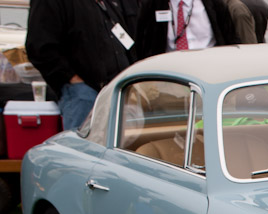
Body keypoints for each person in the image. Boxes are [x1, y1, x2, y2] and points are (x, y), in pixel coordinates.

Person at [26, 0, 138, 130]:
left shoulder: (105, 4)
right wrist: (73, 80)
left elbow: (125, 41)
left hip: (117, 92)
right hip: (83, 95)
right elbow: (39, 47)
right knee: (85, 147)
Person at [135, 0, 238, 59]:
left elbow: (231, 39)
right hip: (169, 74)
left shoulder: (214, 4)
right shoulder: (152, 5)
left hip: (209, 67)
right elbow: (142, 45)